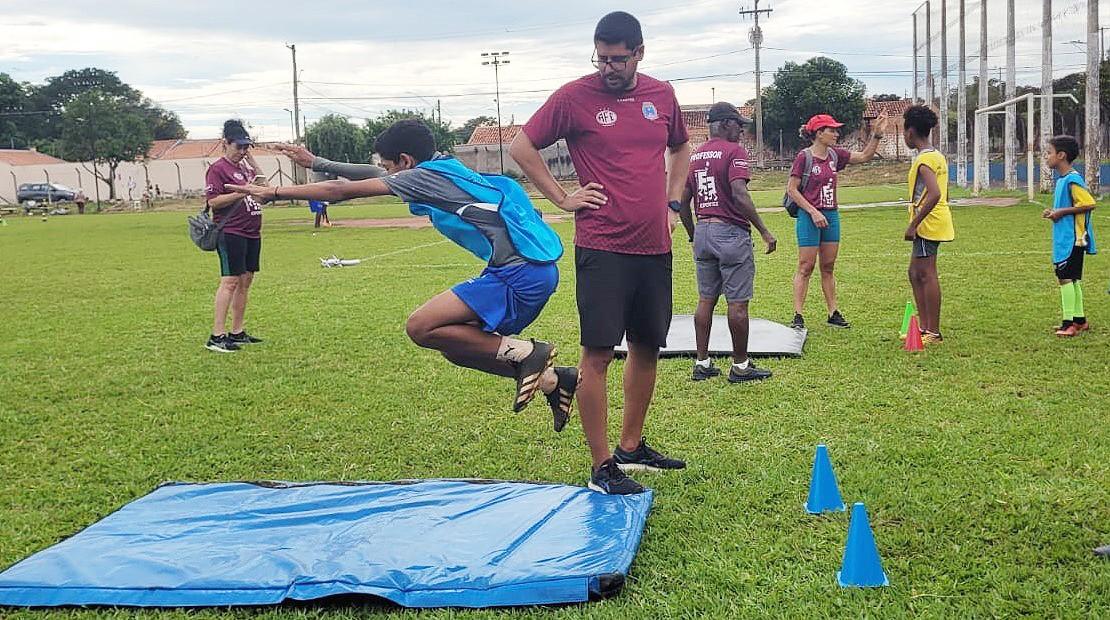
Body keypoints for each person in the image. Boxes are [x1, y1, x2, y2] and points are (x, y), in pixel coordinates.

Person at [228, 120, 579, 430]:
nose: (385, 171)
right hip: (536, 272)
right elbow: (377, 175)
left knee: (421, 326)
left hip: (517, 275)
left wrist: (273, 192)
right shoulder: (445, 170)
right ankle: (553, 381)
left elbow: (339, 191)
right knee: (455, 346)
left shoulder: (426, 177)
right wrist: (316, 162)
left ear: (406, 162)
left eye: (389, 164)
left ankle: (532, 353)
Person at [510, 11, 691, 494]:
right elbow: (521, 146)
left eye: (618, 59)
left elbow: (682, 149)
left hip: (655, 245)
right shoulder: (574, 97)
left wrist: (674, 201)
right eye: (601, 58)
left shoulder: (661, 95)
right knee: (598, 353)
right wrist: (561, 197)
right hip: (602, 246)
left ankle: (632, 446)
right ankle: (602, 464)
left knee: (648, 346)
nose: (608, 67)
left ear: (639, 53)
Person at [678, 102, 776, 383]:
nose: (742, 130)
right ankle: (741, 366)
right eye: (738, 124)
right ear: (724, 124)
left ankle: (702, 362)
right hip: (730, 233)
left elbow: (683, 201)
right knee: (737, 302)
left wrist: (692, 232)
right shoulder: (734, 152)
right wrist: (763, 230)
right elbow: (739, 193)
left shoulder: (696, 156)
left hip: (704, 232)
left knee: (705, 299)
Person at [786, 112, 890, 330]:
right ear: (818, 133)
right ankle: (798, 315)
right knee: (806, 266)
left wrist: (877, 136)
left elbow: (864, 156)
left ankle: (833, 312)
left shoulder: (835, 155)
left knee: (828, 266)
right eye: (831, 130)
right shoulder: (804, 157)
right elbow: (792, 190)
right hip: (809, 216)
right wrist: (813, 212)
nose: (836, 133)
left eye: (835, 129)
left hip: (831, 215)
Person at [203, 119, 266, 353]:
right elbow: (213, 201)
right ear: (225, 144)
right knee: (229, 281)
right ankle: (216, 335)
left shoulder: (245, 168)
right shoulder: (218, 169)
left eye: (246, 147)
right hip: (231, 231)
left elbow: (264, 189)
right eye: (238, 147)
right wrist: (242, 191)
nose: (242, 151)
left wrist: (253, 163)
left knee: (246, 281)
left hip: (252, 231)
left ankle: (237, 331)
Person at [902, 105, 955, 344]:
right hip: (934, 220)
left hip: (928, 225)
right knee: (915, 273)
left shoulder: (924, 160)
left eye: (904, 132)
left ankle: (932, 331)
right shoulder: (936, 156)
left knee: (926, 274)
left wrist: (914, 224)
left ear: (910, 132)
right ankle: (924, 327)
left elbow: (934, 194)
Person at [1042, 135, 1098, 337]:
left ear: (1061, 155)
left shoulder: (1073, 179)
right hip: (1066, 238)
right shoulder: (1063, 180)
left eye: (1048, 153)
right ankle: (1080, 320)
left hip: (1073, 239)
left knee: (1066, 278)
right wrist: (1054, 212)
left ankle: (1069, 324)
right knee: (1072, 279)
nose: (1045, 156)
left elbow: (1088, 203)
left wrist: (1062, 212)